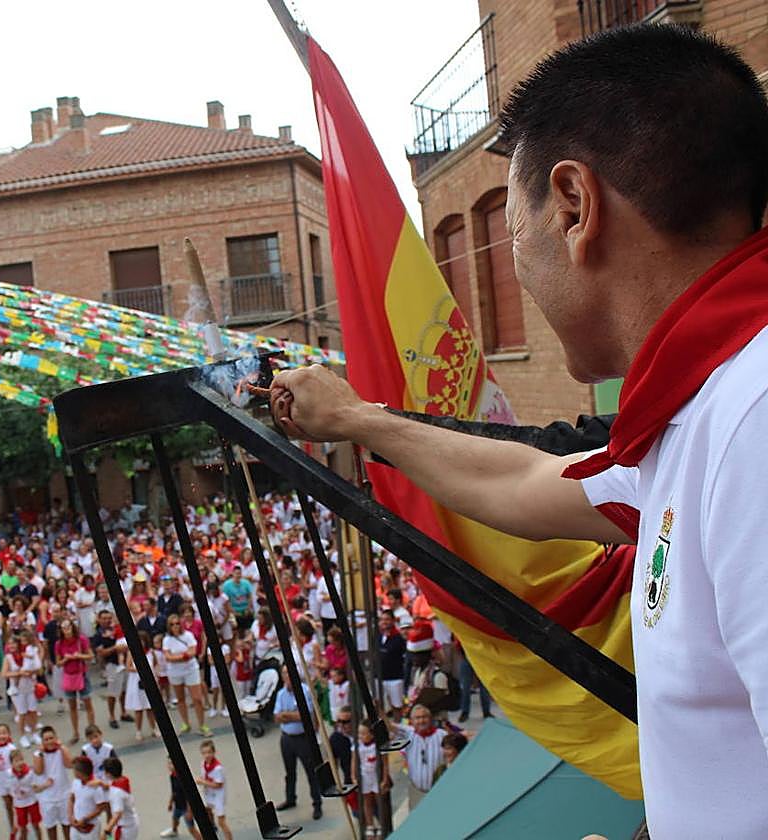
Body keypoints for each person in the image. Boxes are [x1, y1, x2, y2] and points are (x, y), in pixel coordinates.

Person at [269, 23, 768, 839]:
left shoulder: (752, 418)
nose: (519, 267)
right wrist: (357, 419)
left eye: (510, 232)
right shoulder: (698, 411)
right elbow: (524, 482)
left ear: (574, 205)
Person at [272, 670, 321, 821]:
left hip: (303, 738)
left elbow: (305, 715)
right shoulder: (281, 694)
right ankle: (290, 798)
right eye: (284, 674)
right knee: (290, 771)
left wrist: (286, 715)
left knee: (311, 771)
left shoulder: (304, 691)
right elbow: (276, 717)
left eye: (289, 673)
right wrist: (293, 715)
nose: (287, 676)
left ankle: (317, 803)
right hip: (287, 738)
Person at [161, 614, 207, 737]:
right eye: (172, 624)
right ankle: (186, 723)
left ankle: (202, 725)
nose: (175, 626)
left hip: (190, 669)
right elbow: (168, 656)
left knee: (197, 698)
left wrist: (177, 657)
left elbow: (192, 652)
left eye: (177, 623)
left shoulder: (188, 635)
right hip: (175, 672)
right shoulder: (167, 640)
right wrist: (183, 656)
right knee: (180, 699)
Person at [394, 704, 443, 811]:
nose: (421, 721)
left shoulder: (442, 735)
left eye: (424, 717)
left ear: (430, 719)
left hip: (439, 790)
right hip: (417, 791)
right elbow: (389, 726)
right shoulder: (408, 734)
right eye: (417, 718)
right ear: (412, 721)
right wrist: (378, 711)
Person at [31, 727, 70, 840]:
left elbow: (69, 764)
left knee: (67, 824)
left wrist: (62, 747)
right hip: (47, 798)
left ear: (56, 738)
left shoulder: (62, 750)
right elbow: (39, 771)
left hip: (64, 795)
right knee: (50, 826)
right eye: (46, 739)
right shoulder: (37, 754)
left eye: (51, 738)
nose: (49, 742)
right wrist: (41, 753)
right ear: (42, 741)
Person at [193, 740, 230, 840]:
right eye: (204, 753)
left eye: (209, 752)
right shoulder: (203, 764)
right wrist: (202, 780)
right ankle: (212, 825)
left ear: (214, 752)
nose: (207, 755)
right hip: (208, 792)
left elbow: (218, 785)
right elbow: (204, 776)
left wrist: (202, 782)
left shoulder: (218, 768)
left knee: (222, 822)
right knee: (207, 810)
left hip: (218, 795)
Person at [65, 757, 103, 840]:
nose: (73, 772)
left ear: (80, 772)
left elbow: (100, 808)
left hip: (91, 827)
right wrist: (70, 816)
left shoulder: (96, 787)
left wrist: (85, 819)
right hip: (75, 825)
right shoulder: (76, 781)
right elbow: (71, 799)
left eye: (74, 769)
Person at [99, 758, 137, 840]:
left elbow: (118, 814)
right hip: (131, 822)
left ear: (109, 774)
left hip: (124, 828)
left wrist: (106, 831)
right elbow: (111, 785)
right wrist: (101, 784)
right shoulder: (123, 780)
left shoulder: (116, 793)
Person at [7, 749, 41, 840]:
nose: (20, 763)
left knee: (36, 825)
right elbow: (9, 789)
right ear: (11, 763)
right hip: (19, 804)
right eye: (16, 761)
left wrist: (34, 787)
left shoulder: (30, 772)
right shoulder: (9, 774)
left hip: (32, 802)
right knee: (22, 827)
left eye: (21, 759)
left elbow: (35, 785)